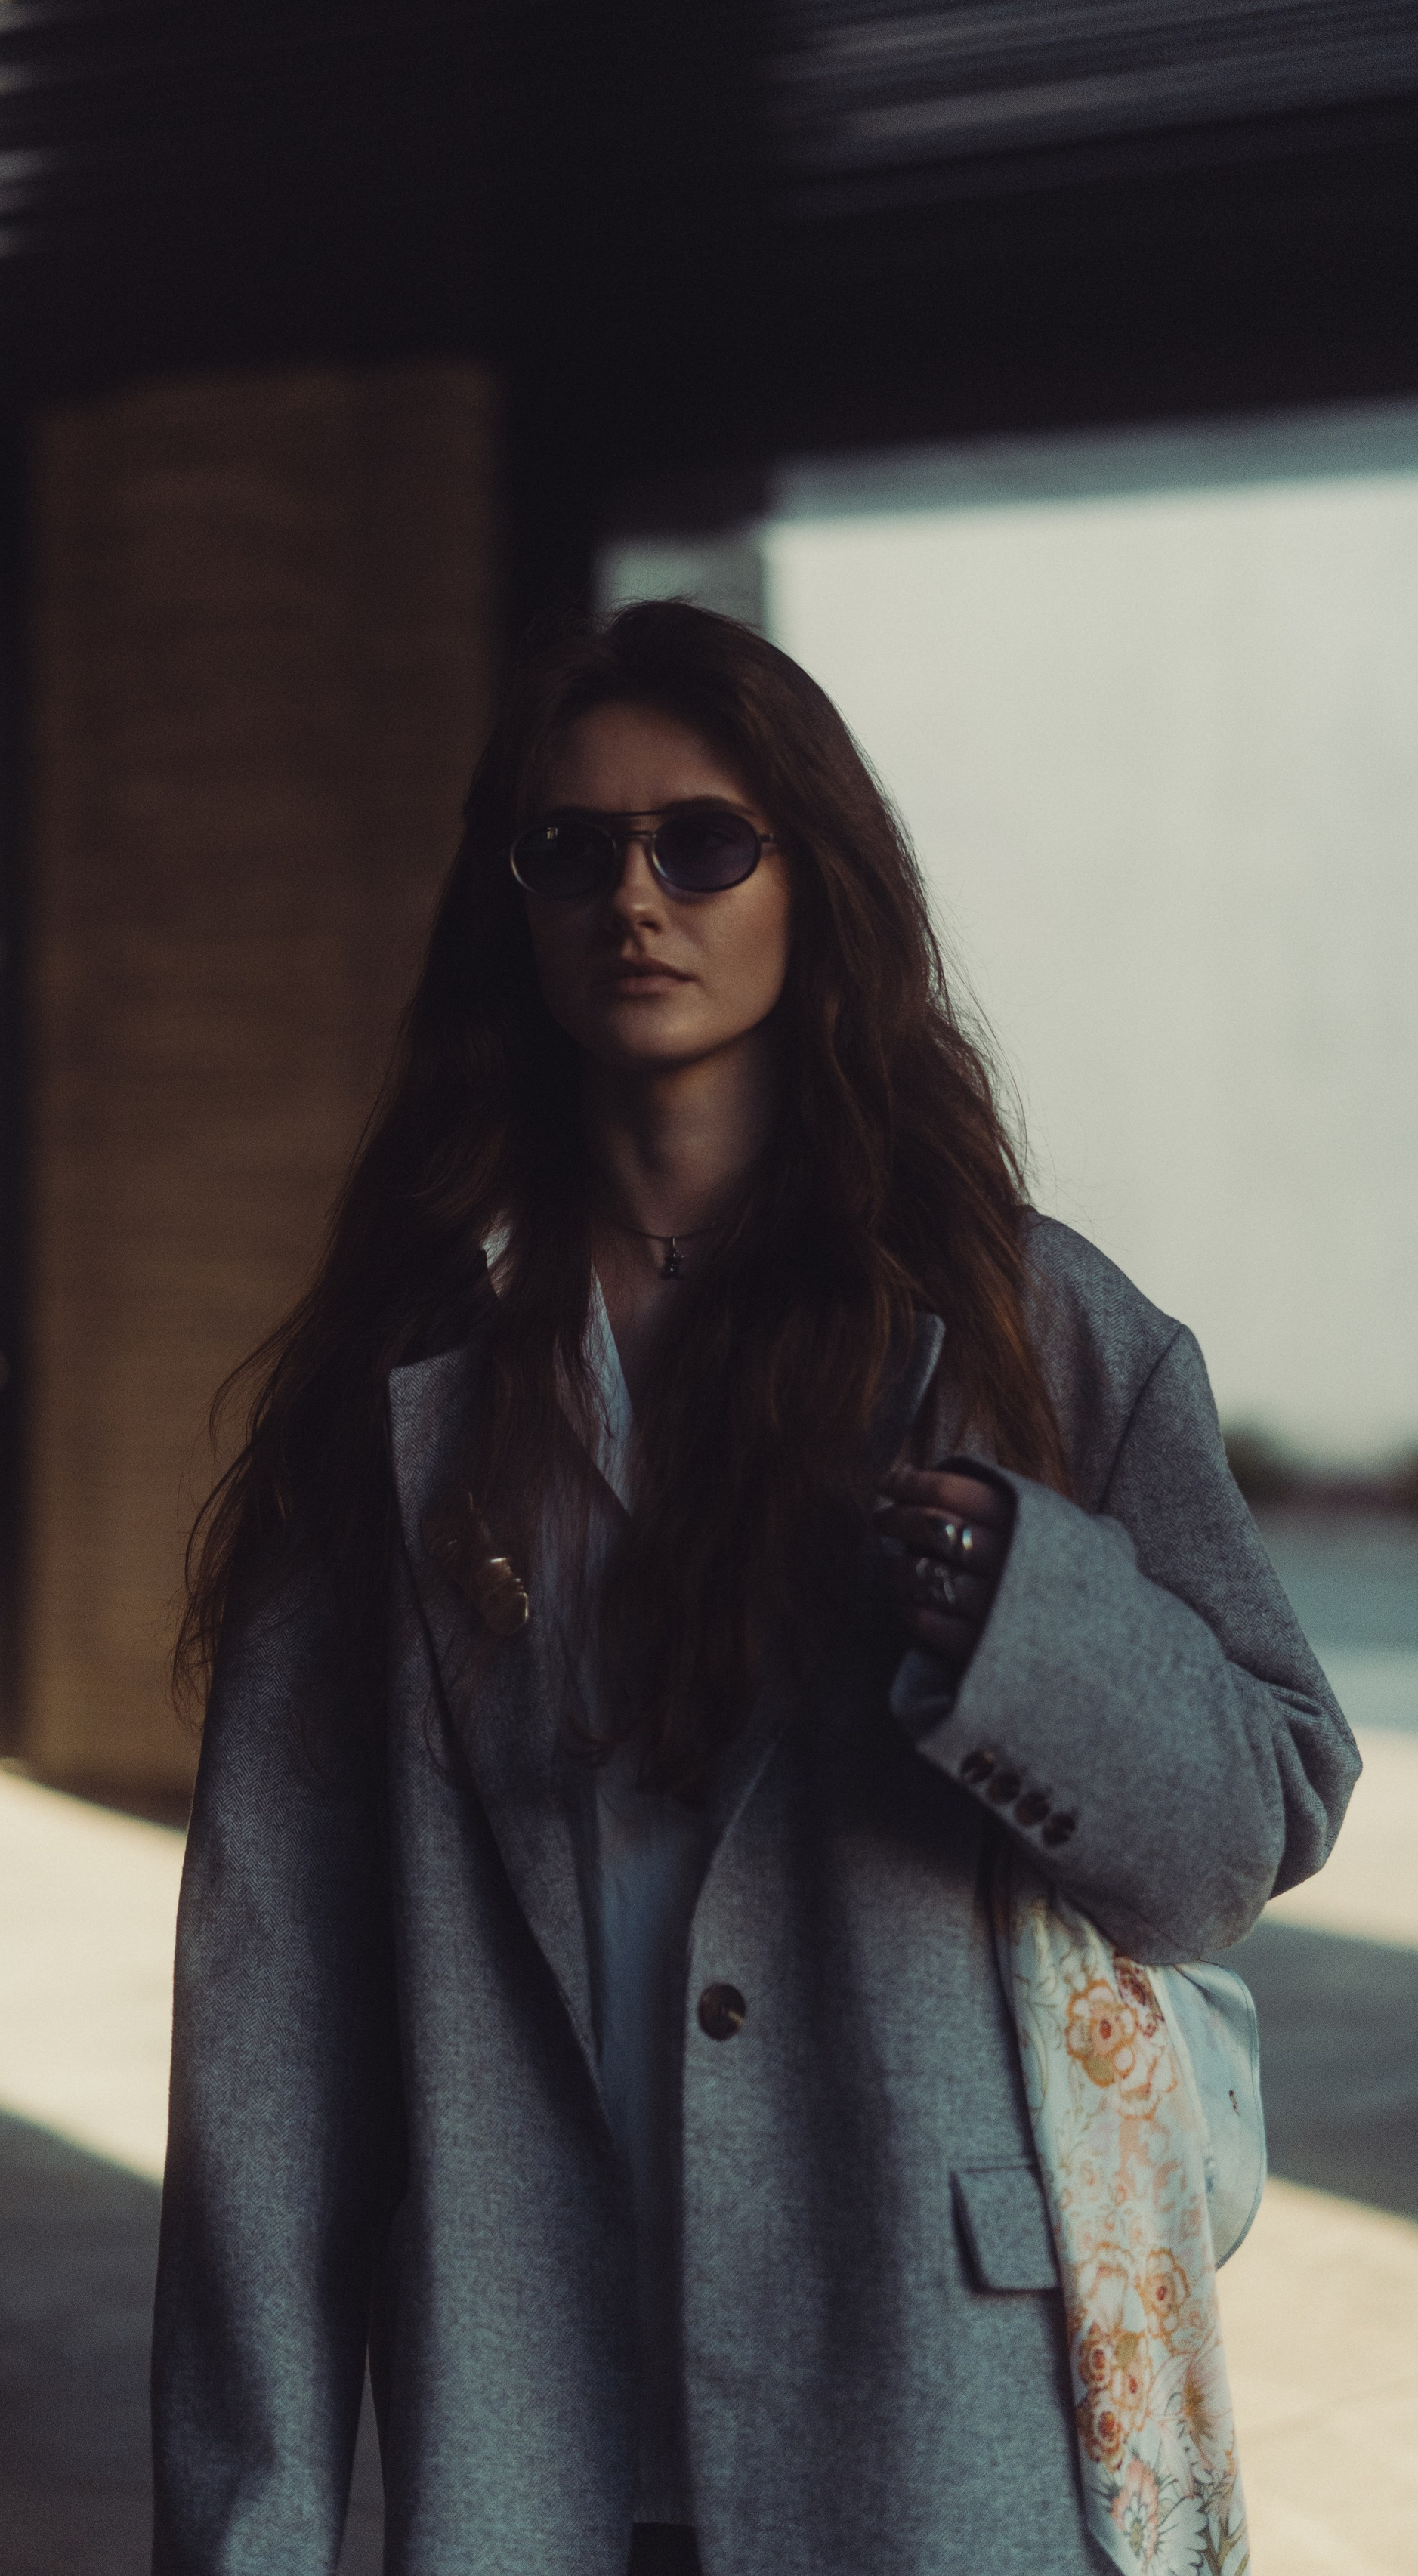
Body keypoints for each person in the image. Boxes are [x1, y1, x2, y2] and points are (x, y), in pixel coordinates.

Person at [150, 600, 1357, 2576]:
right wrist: (247, 2529)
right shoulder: (396, 1395)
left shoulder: (1029, 1326)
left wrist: (1028, 1625)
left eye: (702, 840)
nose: (638, 891)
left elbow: (1253, 1820)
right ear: (511, 906)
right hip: (538, 2401)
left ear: (817, 883)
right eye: (573, 847)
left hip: (938, 2393)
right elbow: (272, 2040)